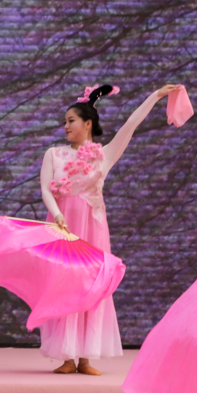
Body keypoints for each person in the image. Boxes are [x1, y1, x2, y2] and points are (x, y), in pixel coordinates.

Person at [36, 81, 179, 374]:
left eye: (71, 121)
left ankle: (86, 357)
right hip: (64, 228)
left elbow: (130, 125)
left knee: (92, 285)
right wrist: (56, 214)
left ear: (88, 123)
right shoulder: (54, 154)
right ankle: (66, 356)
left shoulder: (104, 154)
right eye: (65, 122)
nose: (66, 126)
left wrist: (155, 96)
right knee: (66, 284)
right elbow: (46, 189)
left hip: (93, 228)